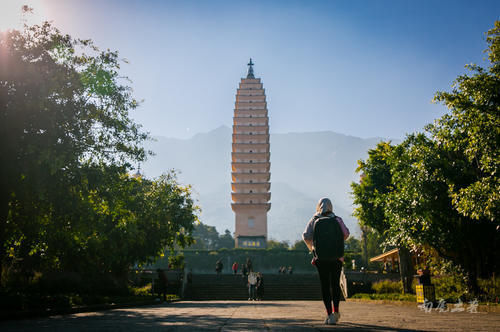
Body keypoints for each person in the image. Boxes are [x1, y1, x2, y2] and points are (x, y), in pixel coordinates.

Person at [302, 197, 350, 325]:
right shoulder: (337, 219)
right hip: (337, 258)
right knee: (335, 284)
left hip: (321, 258)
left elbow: (306, 236)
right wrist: (336, 243)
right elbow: (346, 234)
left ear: (319, 206)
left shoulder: (314, 219)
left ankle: (329, 314)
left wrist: (313, 249)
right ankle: (336, 311)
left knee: (325, 286)